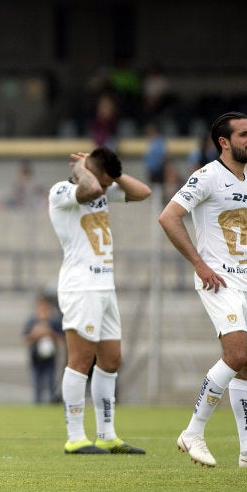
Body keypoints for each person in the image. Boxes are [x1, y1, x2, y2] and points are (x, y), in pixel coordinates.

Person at [159, 111, 247, 468]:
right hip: (218, 279)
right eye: (244, 134)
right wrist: (199, 265)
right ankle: (192, 433)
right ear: (224, 141)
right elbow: (168, 217)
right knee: (234, 355)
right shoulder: (206, 176)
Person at [48, 147, 151, 454]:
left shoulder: (102, 186)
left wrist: (115, 174)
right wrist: (84, 169)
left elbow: (143, 192)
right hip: (81, 287)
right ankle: (75, 437)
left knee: (111, 360)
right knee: (81, 361)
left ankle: (107, 435)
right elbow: (91, 188)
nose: (106, 190)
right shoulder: (63, 191)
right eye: (105, 183)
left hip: (105, 285)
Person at [23, 293, 64, 405]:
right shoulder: (32, 321)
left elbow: (61, 339)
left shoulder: (54, 321)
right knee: (37, 386)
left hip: (51, 358)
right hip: (35, 358)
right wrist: (35, 334)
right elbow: (26, 340)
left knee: (51, 384)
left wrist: (50, 333)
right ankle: (37, 405)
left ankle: (50, 405)